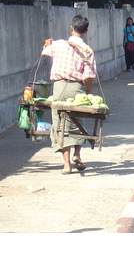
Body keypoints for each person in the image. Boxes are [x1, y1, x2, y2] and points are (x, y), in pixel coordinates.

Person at [41, 15, 96, 174]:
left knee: (60, 124)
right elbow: (88, 76)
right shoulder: (87, 50)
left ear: (71, 28)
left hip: (59, 88)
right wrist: (89, 92)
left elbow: (45, 51)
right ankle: (77, 154)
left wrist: (47, 44)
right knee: (77, 120)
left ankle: (66, 165)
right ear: (86, 32)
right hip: (77, 89)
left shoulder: (58, 45)